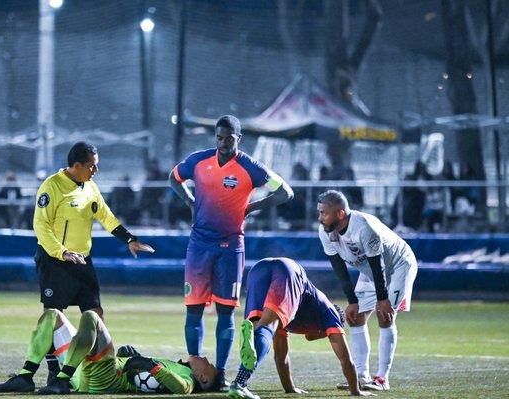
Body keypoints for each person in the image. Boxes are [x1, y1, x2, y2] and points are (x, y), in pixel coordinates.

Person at [169, 115, 293, 390]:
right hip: (199, 245)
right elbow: (173, 178)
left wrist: (252, 207)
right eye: (219, 137)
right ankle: (195, 369)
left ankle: (220, 374)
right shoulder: (199, 161)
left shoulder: (250, 167)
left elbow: (286, 192)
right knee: (194, 311)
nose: (224, 143)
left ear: (239, 139)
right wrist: (189, 200)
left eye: (229, 138)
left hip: (230, 248)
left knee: (226, 313)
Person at [32, 141, 155, 381]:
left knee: (95, 313)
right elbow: (41, 226)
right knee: (52, 316)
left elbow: (105, 216)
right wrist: (62, 251)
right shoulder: (52, 186)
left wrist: (129, 238)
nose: (95, 171)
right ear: (76, 165)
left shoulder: (90, 187)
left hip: (82, 261)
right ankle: (53, 372)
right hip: (55, 260)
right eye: (91, 166)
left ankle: (98, 367)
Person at [228, 257, 373, 399]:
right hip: (289, 271)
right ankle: (240, 382)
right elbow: (346, 359)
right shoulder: (330, 314)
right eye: (327, 334)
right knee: (268, 326)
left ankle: (240, 378)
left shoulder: (293, 312)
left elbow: (281, 356)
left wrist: (290, 389)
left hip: (259, 268)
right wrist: (356, 391)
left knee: (261, 329)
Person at [317, 190, 418, 391]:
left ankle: (382, 378)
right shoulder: (325, 231)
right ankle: (360, 376)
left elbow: (377, 263)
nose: (320, 218)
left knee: (385, 316)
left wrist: (382, 299)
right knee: (355, 317)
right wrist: (352, 300)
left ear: (340, 214)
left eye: (324, 213)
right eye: (319, 213)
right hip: (371, 269)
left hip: (398, 265)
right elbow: (339, 267)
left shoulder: (363, 227)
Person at [0, 309, 219, 394]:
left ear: (204, 377)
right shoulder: (179, 365)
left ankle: (61, 379)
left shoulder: (188, 379)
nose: (206, 359)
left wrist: (149, 364)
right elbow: (140, 372)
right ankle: (26, 377)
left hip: (106, 377)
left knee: (91, 317)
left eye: (208, 365)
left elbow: (180, 388)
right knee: (52, 315)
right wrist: (131, 356)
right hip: (84, 373)